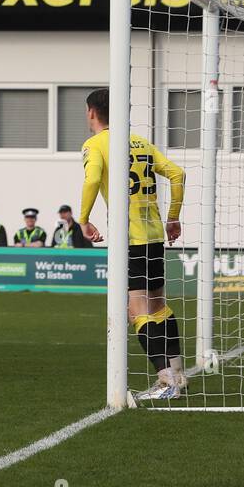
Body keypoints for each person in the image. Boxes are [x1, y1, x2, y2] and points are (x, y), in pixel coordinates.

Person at [79, 87, 186, 401]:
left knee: (136, 310)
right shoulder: (141, 142)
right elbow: (177, 174)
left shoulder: (95, 143)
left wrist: (83, 219)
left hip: (130, 238)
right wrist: (173, 217)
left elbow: (92, 179)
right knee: (159, 306)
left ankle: (166, 382)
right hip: (153, 235)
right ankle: (179, 374)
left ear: (91, 112)